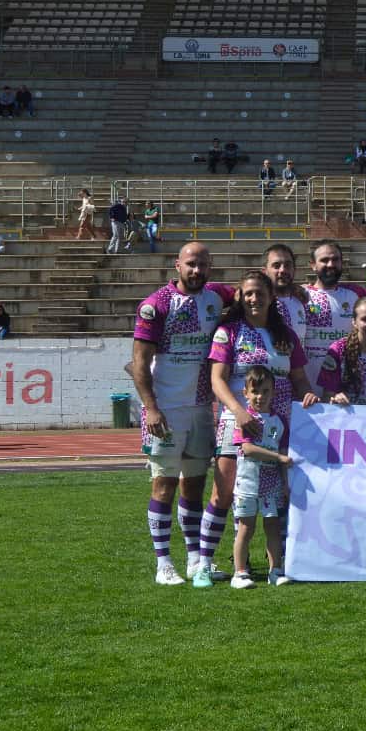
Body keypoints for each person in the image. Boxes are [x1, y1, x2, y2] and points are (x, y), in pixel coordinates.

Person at [130, 241, 235, 586]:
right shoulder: (156, 305)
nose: (197, 271)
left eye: (203, 265)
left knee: (193, 486)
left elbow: (254, 289)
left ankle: (194, 561)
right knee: (163, 485)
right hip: (166, 410)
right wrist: (151, 408)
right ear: (177, 265)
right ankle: (163, 565)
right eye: (191, 264)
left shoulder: (216, 296)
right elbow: (139, 364)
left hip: (201, 409)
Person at [206, 270, 317, 584]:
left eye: (261, 293)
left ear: (271, 297)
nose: (255, 299)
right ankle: (205, 562)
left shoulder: (286, 336)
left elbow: (299, 381)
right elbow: (217, 379)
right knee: (224, 494)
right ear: (241, 297)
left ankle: (277, 566)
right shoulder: (229, 331)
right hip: (237, 423)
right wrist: (240, 412)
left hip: (279, 427)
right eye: (249, 293)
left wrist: (310, 396)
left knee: (275, 498)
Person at [222, 367, 292, 590]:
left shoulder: (279, 421)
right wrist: (278, 458)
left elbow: (283, 450)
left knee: (272, 526)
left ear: (273, 393)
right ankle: (240, 573)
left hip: (271, 485)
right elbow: (248, 449)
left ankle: (275, 571)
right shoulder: (245, 419)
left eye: (266, 391)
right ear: (246, 393)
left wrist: (285, 483)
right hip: (248, 483)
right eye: (255, 391)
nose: (260, 396)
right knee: (246, 528)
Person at [294, 240, 366, 395]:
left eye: (335, 259)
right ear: (313, 265)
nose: (330, 264)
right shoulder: (299, 295)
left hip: (344, 391)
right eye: (324, 260)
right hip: (305, 391)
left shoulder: (355, 294)